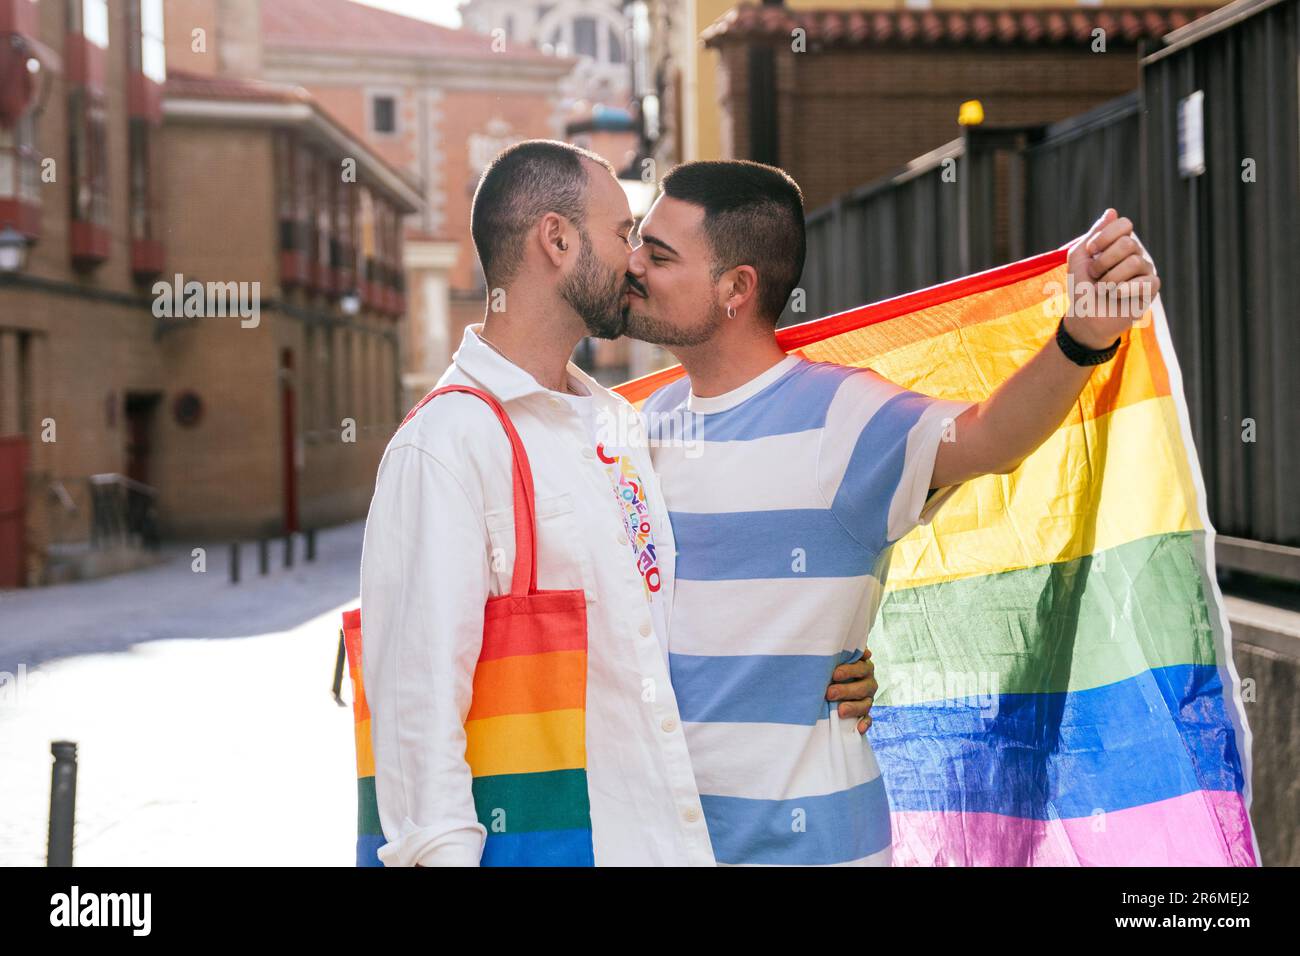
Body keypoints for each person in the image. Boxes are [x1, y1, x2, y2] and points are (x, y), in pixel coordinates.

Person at [622, 160, 1159, 865]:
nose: (631, 265)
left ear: (736, 289)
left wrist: (1081, 336)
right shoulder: (641, 428)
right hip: (668, 847)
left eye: (657, 254)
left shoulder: (842, 416)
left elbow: (990, 440)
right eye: (635, 242)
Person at [358, 141, 876, 866]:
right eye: (623, 233)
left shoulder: (617, 426)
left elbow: (661, 629)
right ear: (557, 240)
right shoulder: (445, 444)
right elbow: (416, 715)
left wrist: (816, 662)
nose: (635, 259)